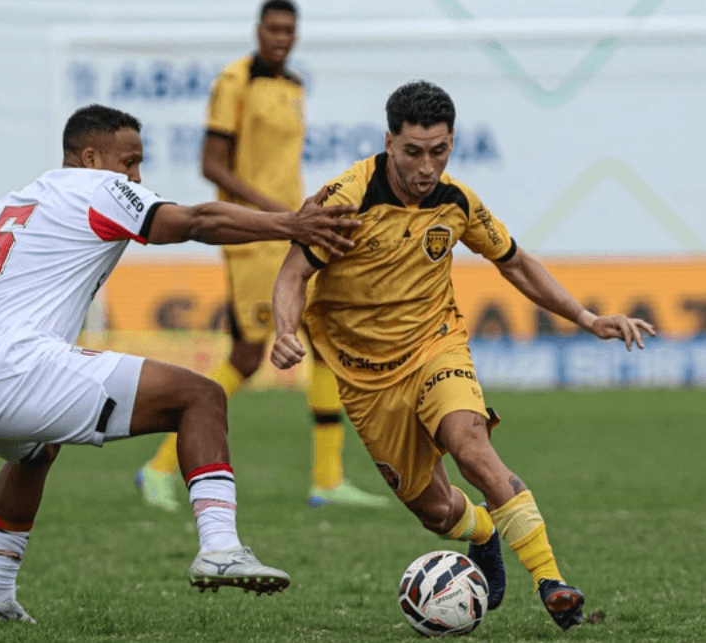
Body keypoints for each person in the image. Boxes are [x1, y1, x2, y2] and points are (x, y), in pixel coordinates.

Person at [0, 104, 361, 625]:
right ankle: (219, 549)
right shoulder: (98, 188)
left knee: (36, 451)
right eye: (129, 161)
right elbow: (194, 222)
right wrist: (291, 224)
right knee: (201, 397)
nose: (135, 177)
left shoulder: (13, 204)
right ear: (90, 158)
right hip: (18, 371)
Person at [270, 80, 655, 632]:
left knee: (470, 444)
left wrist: (589, 320)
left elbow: (516, 263)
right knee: (437, 512)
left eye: (440, 150)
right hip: (367, 381)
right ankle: (482, 532)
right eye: (413, 152)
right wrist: (286, 328)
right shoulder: (348, 200)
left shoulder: (457, 203)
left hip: (436, 347)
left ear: (451, 143)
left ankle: (552, 582)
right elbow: (293, 272)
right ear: (388, 142)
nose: (427, 167)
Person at [135, 0, 388, 513]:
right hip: (254, 236)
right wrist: (277, 212)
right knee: (249, 355)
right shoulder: (235, 82)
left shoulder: (293, 86)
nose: (281, 37)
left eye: (289, 29)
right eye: (273, 28)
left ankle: (327, 479)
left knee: (324, 341)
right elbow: (212, 165)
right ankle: (158, 467)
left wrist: (300, 215)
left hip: (294, 230)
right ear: (258, 30)